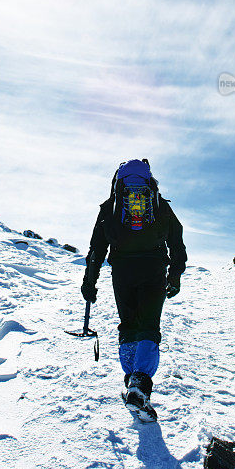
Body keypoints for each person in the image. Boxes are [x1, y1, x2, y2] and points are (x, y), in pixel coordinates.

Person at [81, 158, 187, 421]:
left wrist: (89, 282)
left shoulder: (110, 207)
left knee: (128, 326)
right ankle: (139, 386)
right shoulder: (159, 204)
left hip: (122, 273)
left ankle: (133, 383)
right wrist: (174, 275)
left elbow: (97, 249)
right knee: (149, 326)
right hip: (153, 270)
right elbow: (177, 240)